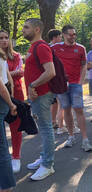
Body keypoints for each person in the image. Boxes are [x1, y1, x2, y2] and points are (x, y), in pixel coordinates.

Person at [22, 18, 56, 180]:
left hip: (41, 94)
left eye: (26, 27)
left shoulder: (41, 47)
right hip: (37, 95)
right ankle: (44, 156)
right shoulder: (34, 46)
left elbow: (50, 72)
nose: (23, 29)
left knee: (46, 128)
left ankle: (48, 165)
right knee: (44, 128)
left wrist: (32, 85)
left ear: (36, 29)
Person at [51, 25, 92, 151]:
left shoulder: (80, 48)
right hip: (61, 85)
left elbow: (84, 65)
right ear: (63, 35)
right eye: (70, 34)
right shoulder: (54, 48)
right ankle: (71, 136)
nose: (73, 36)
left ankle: (85, 140)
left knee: (79, 109)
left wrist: (80, 81)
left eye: (74, 34)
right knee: (66, 110)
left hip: (75, 84)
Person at [0, 30, 24, 173]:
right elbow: (14, 73)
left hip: (16, 94)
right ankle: (4, 157)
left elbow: (20, 71)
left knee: (16, 126)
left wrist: (7, 74)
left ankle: (16, 156)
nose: (4, 40)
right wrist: (9, 74)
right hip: (2, 94)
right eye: (1, 38)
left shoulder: (15, 55)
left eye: (6, 38)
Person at [0, 48, 18, 192]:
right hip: (4, 99)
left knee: (1, 147)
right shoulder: (2, 55)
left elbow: (1, 84)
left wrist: (11, 103)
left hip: (2, 100)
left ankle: (6, 187)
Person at [47, 29, 65, 134]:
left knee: (55, 102)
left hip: (56, 79)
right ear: (55, 38)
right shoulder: (49, 48)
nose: (61, 39)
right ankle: (58, 124)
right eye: (60, 37)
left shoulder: (58, 48)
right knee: (58, 101)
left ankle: (53, 121)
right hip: (53, 79)